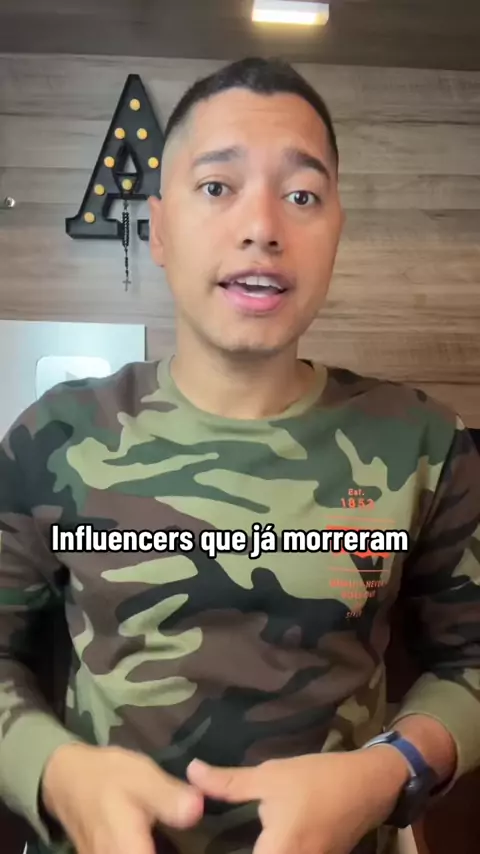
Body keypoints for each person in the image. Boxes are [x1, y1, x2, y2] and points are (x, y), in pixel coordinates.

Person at [0, 56, 479, 854]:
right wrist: (52, 772)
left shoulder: (423, 441)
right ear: (158, 229)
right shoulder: (58, 433)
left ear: (337, 229)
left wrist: (388, 771)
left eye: (302, 195)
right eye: (218, 186)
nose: (262, 227)